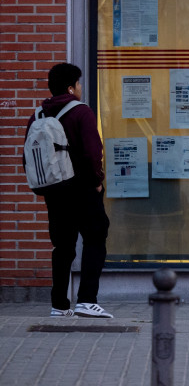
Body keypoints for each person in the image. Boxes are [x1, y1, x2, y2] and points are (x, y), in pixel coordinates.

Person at [24, 63, 112, 318]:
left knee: (62, 246)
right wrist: (97, 180)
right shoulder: (81, 112)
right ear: (71, 87)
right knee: (95, 239)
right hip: (83, 188)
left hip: (55, 191)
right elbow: (93, 152)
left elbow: (27, 157)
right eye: (79, 84)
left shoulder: (38, 116)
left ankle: (59, 305)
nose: (81, 88)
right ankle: (86, 300)